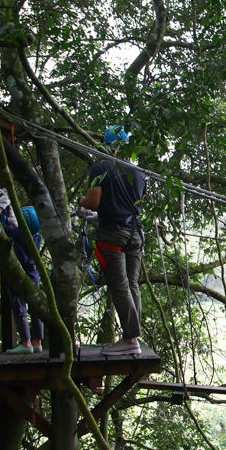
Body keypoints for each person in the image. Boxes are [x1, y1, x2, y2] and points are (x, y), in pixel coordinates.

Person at [79, 125, 147, 356]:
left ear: (108, 147)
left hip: (113, 234)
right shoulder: (139, 173)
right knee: (132, 284)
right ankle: (133, 337)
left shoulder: (100, 168)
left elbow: (93, 202)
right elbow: (137, 199)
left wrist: (82, 201)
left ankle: (130, 339)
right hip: (135, 233)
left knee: (120, 286)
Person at [0, 188, 44, 354]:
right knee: (35, 308)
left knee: (18, 307)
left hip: (18, 277)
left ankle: (26, 342)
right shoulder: (36, 237)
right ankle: (37, 341)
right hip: (33, 276)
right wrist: (10, 210)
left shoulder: (15, 235)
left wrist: (2, 205)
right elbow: (17, 228)